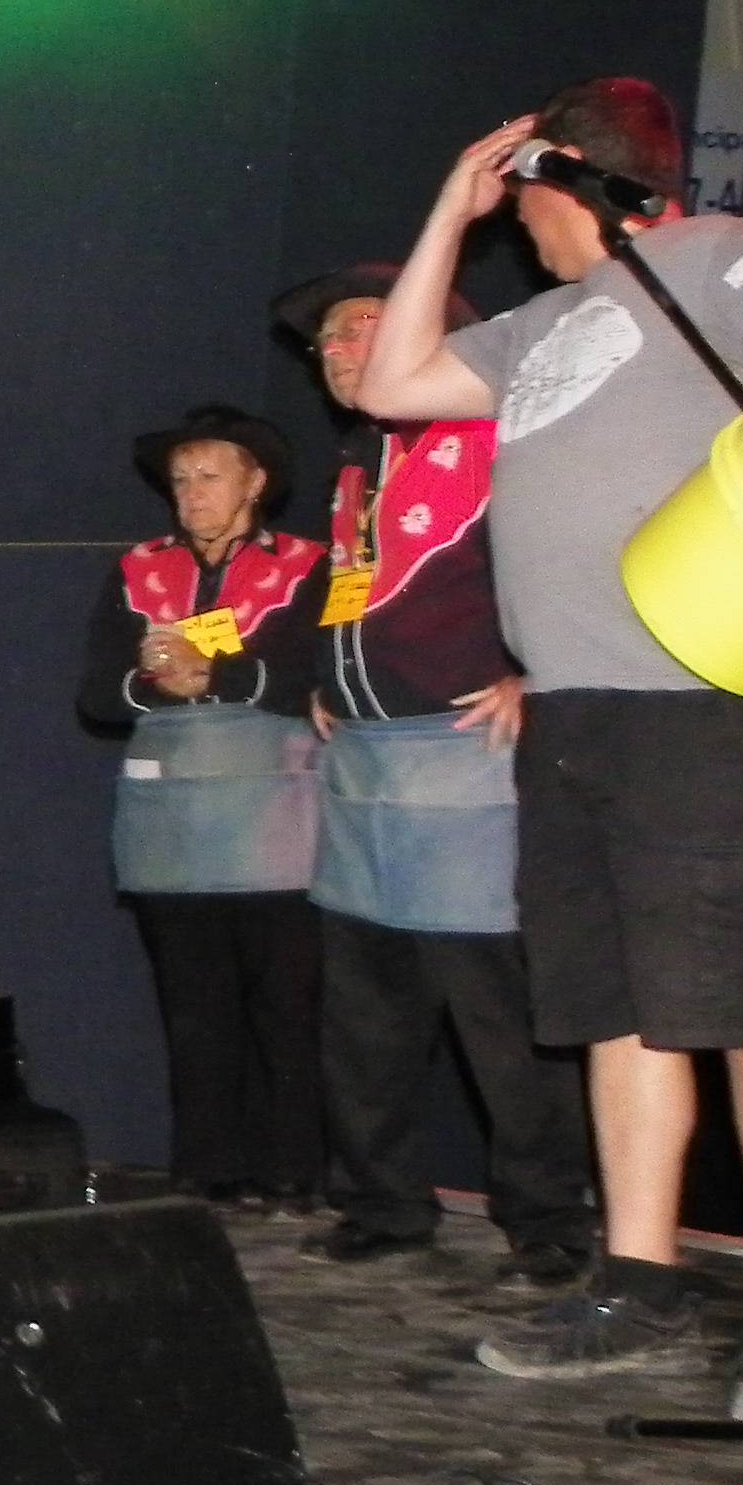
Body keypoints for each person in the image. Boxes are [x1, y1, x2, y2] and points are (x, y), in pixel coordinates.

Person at [353, 78, 743, 1422]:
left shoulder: (727, 254)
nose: (513, 218)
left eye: (520, 192)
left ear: (564, 171)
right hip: (572, 711)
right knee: (614, 1012)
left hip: (707, 700)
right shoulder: (540, 326)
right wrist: (450, 209)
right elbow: (392, 383)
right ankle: (639, 1281)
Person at [274, 265, 595, 1280]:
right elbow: (357, 592)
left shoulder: (496, 436)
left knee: (498, 1010)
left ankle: (548, 1217)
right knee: (364, 1012)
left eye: (364, 328)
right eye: (329, 340)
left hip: (465, 753)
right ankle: (381, 1201)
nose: (340, 351)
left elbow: (578, 553)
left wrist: (535, 674)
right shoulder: (359, 462)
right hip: (365, 760)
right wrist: (328, 677)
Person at [75, 407, 327, 1209]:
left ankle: (292, 1169)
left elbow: (311, 675)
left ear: (257, 482)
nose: (190, 493)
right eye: (180, 480)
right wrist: (157, 682)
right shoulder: (138, 569)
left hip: (275, 816)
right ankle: (207, 1169)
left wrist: (214, 675)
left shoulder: (310, 565)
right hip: (171, 825)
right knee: (193, 1007)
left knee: (286, 1009)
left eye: (209, 476)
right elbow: (95, 694)